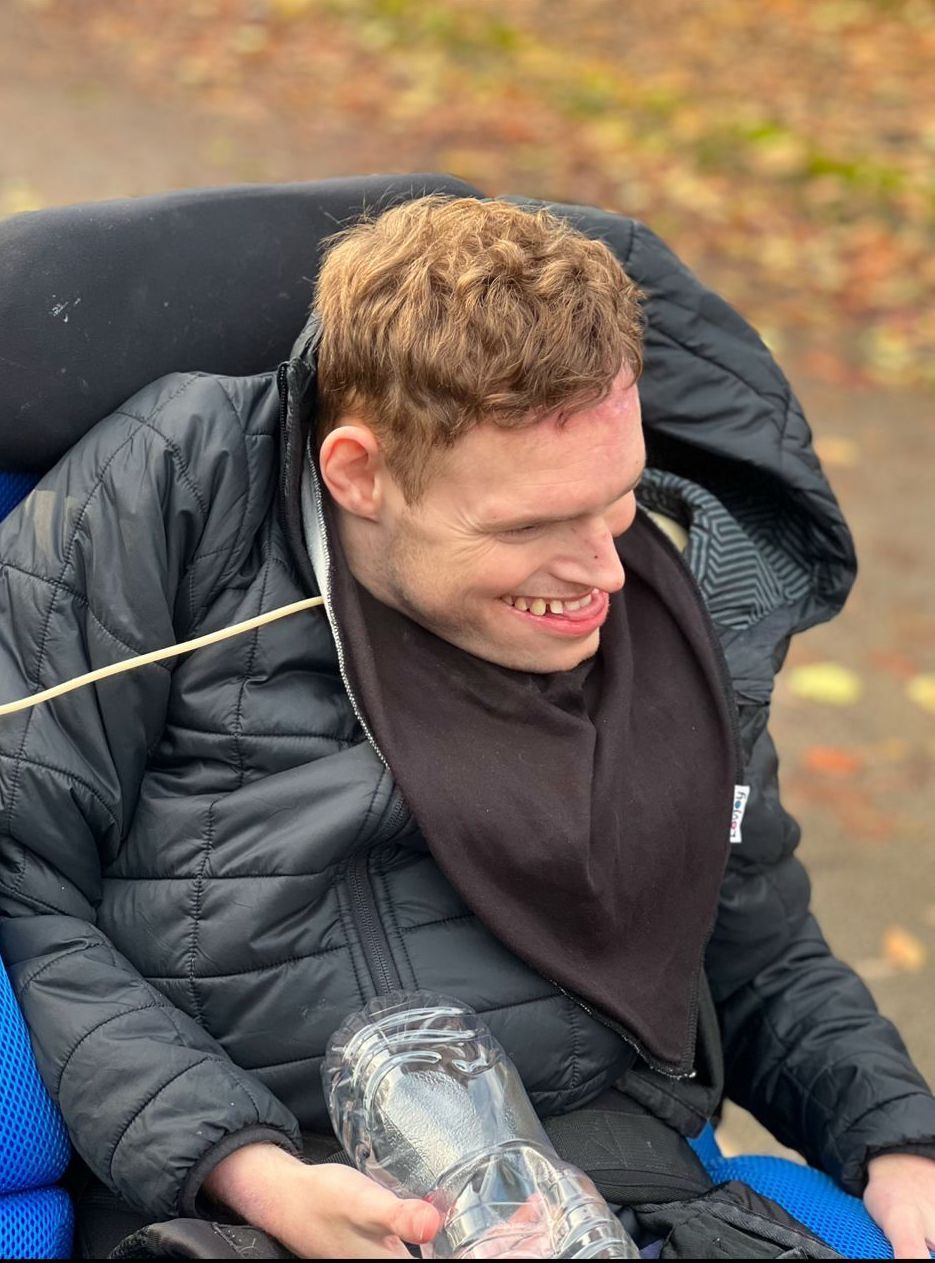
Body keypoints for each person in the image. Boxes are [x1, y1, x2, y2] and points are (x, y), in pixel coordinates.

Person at [0, 194, 933, 1261]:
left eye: (614, 498)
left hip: (610, 1182)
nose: (602, 570)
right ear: (357, 472)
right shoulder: (170, 499)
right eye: (530, 524)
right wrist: (251, 1174)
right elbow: (20, 874)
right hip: (263, 1191)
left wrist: (895, 1136)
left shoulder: (663, 597)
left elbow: (752, 938)